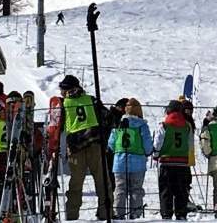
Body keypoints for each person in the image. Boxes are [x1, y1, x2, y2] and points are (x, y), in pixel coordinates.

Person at [59, 74, 111, 221]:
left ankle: (72, 216)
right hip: (95, 143)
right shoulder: (91, 100)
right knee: (102, 183)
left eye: (62, 89)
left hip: (76, 147)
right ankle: (106, 214)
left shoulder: (64, 103)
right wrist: (103, 135)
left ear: (68, 89)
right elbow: (108, 116)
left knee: (75, 185)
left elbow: (57, 126)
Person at [108, 98, 152, 220]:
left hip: (120, 163)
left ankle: (119, 214)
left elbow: (111, 144)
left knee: (120, 189)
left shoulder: (118, 124)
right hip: (138, 164)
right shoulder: (142, 126)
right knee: (136, 190)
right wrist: (148, 152)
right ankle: (135, 215)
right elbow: (148, 145)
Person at [153, 99, 192, 220]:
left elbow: (158, 142)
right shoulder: (187, 126)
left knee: (166, 192)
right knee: (181, 192)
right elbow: (190, 144)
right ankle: (181, 214)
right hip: (183, 163)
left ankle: (166, 215)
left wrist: (156, 154)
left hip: (167, 162)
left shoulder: (164, 125)